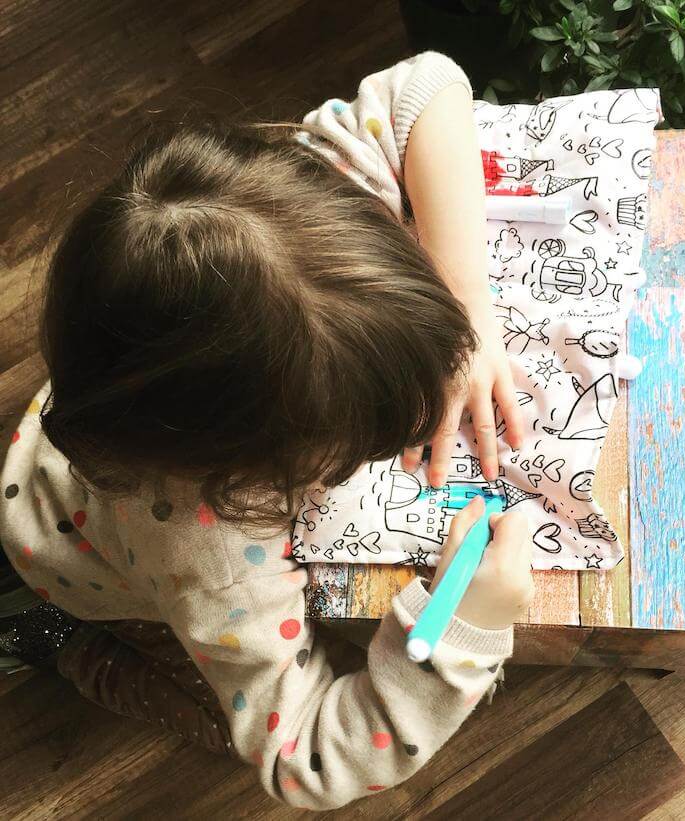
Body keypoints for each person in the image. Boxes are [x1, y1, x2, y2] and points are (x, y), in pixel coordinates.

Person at [0, 51, 534, 809]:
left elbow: (428, 83)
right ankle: (56, 643)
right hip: (84, 570)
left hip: (72, 436)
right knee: (210, 716)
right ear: (246, 470)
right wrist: (461, 631)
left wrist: (469, 303)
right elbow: (300, 760)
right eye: (353, 445)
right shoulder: (213, 561)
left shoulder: (296, 220)